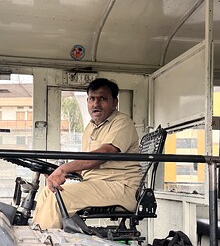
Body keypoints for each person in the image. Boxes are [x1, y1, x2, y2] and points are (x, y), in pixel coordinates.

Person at [32, 78, 142, 229]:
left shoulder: (122, 122)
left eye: (102, 98)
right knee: (48, 191)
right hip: (95, 184)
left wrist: (65, 168)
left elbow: (104, 154)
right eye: (92, 99)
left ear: (114, 102)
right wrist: (55, 170)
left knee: (59, 198)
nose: (96, 104)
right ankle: (37, 235)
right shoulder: (90, 128)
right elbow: (86, 165)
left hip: (120, 188)